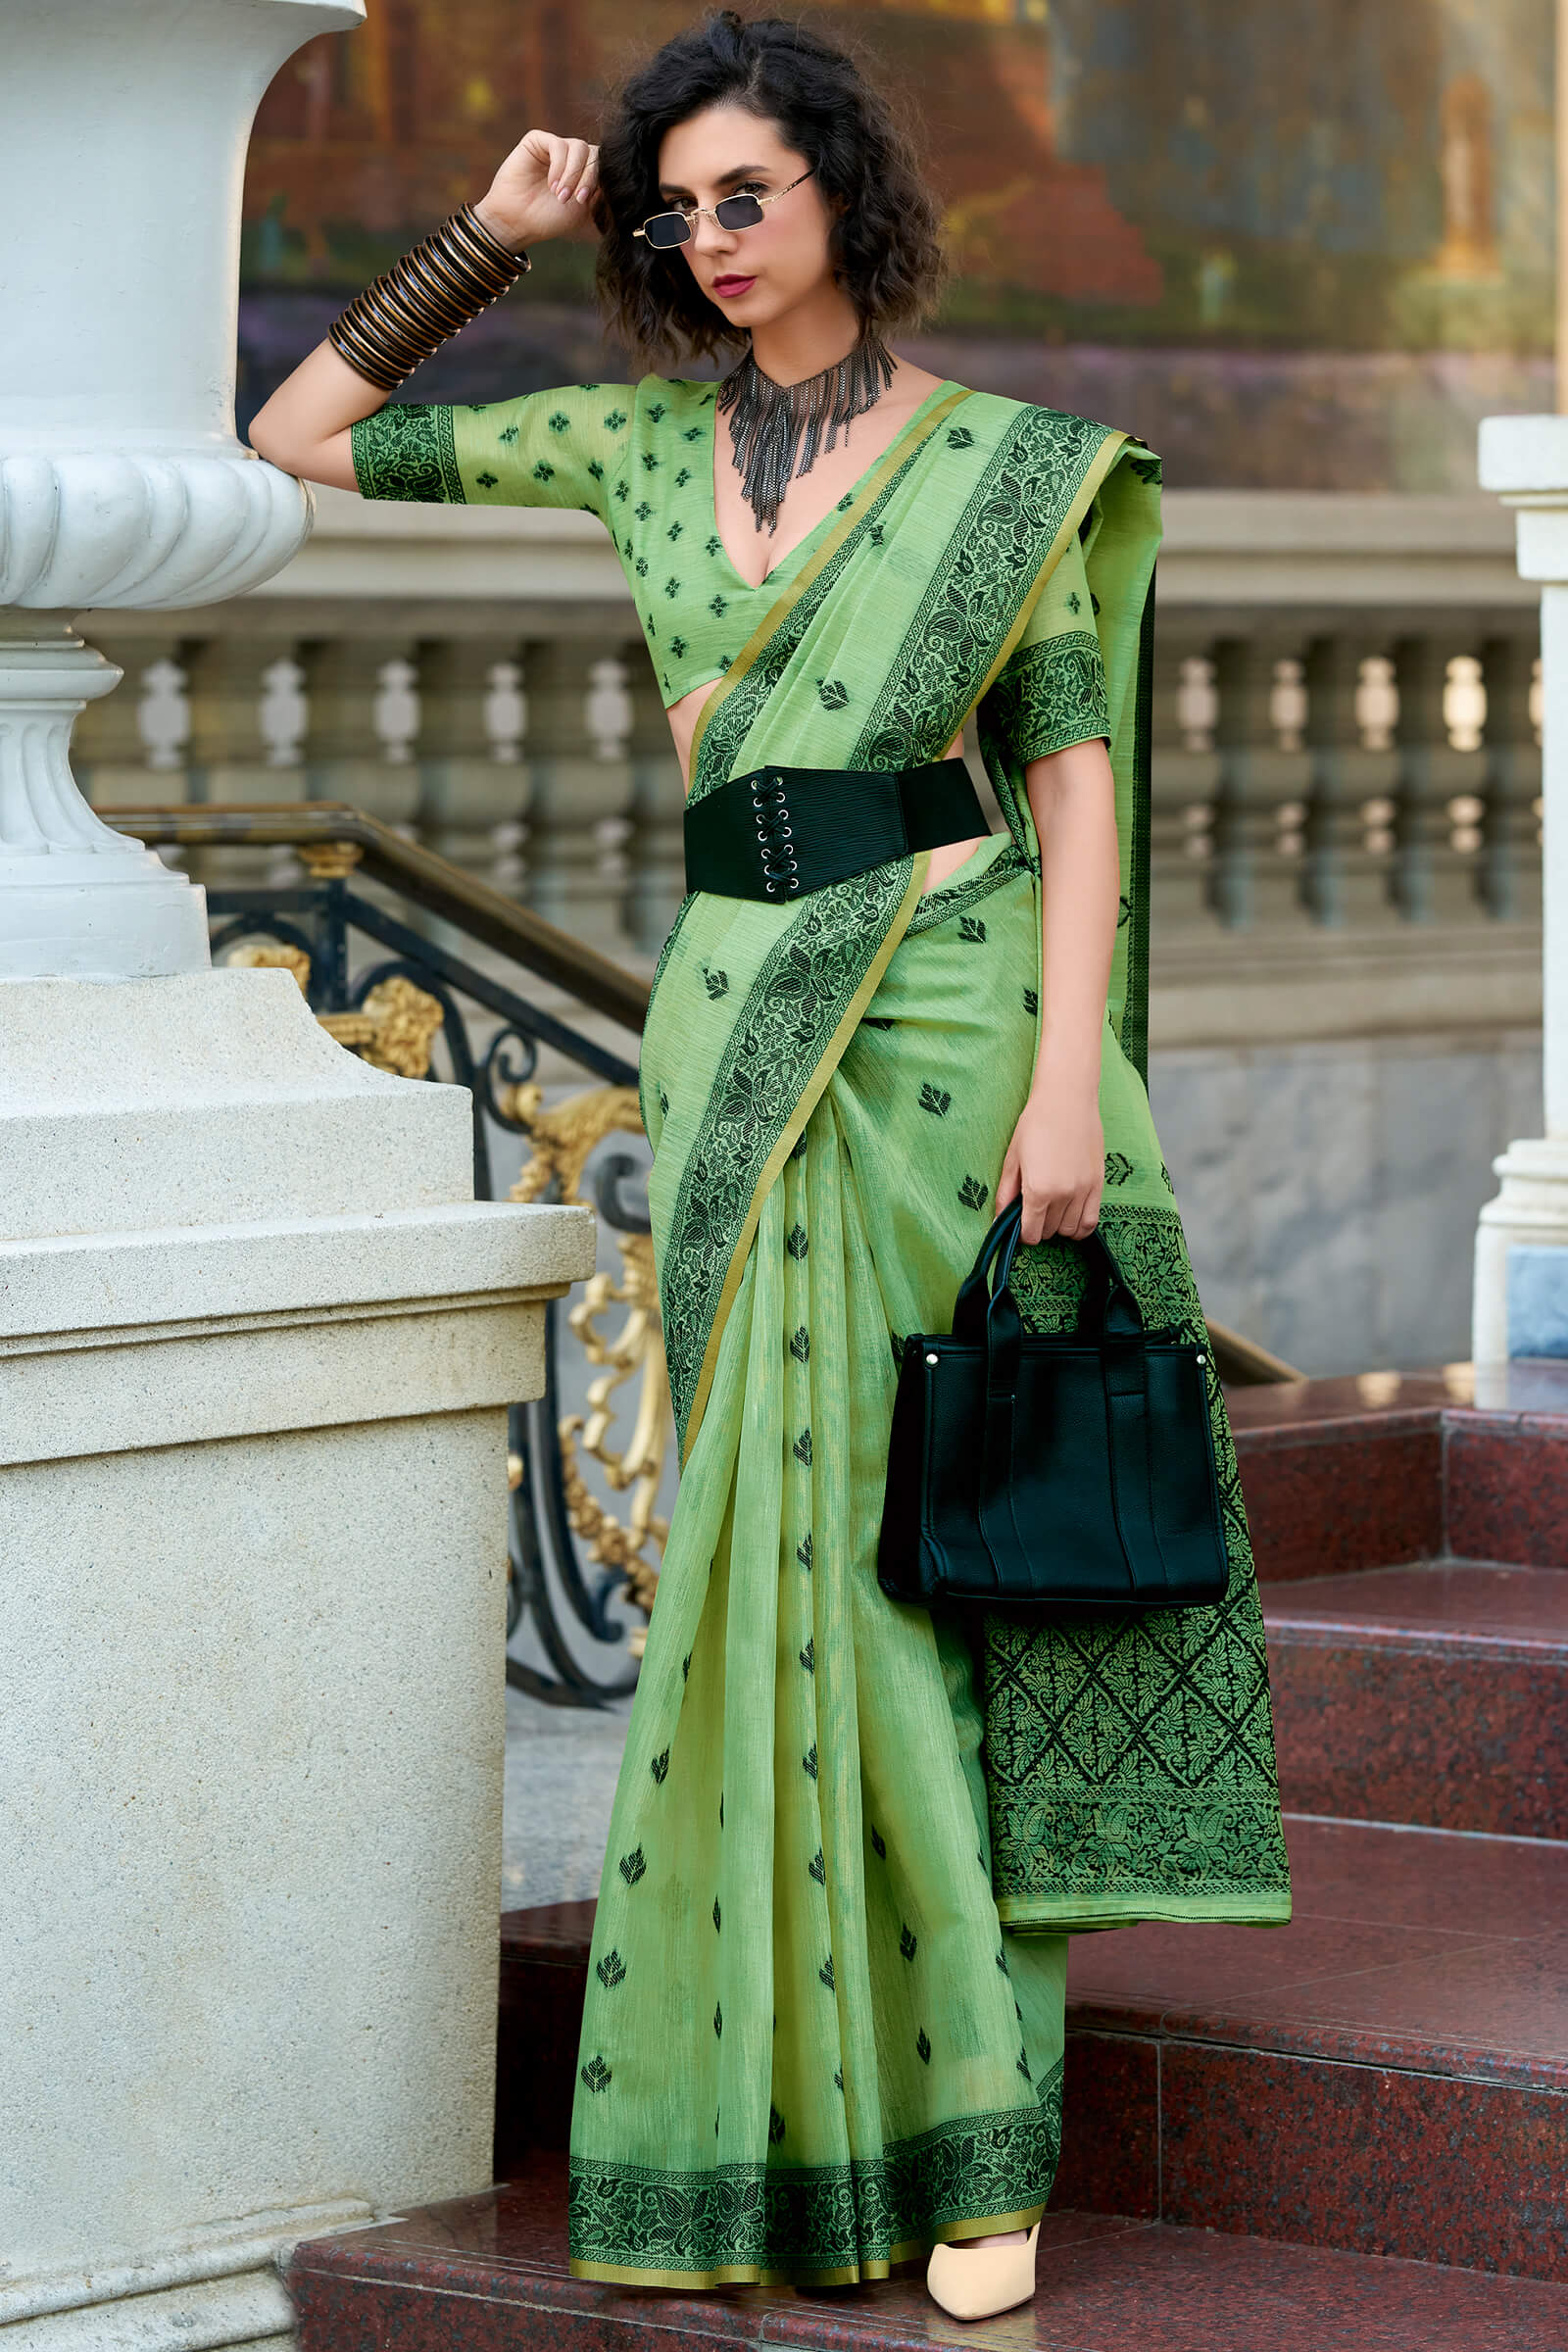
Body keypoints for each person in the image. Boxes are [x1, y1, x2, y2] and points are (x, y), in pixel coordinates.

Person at [250, 9, 1290, 2318]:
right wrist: (486, 241)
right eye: (673, 205)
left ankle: (973, 2138)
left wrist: (1057, 1086)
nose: (708, 239)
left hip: (943, 1023)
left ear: (842, 192)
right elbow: (299, 436)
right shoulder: (631, 446)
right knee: (763, 1575)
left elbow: (1075, 778)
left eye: (748, 192)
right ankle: (777, 2136)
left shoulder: (1001, 464)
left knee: (928, 1570)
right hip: (735, 1029)